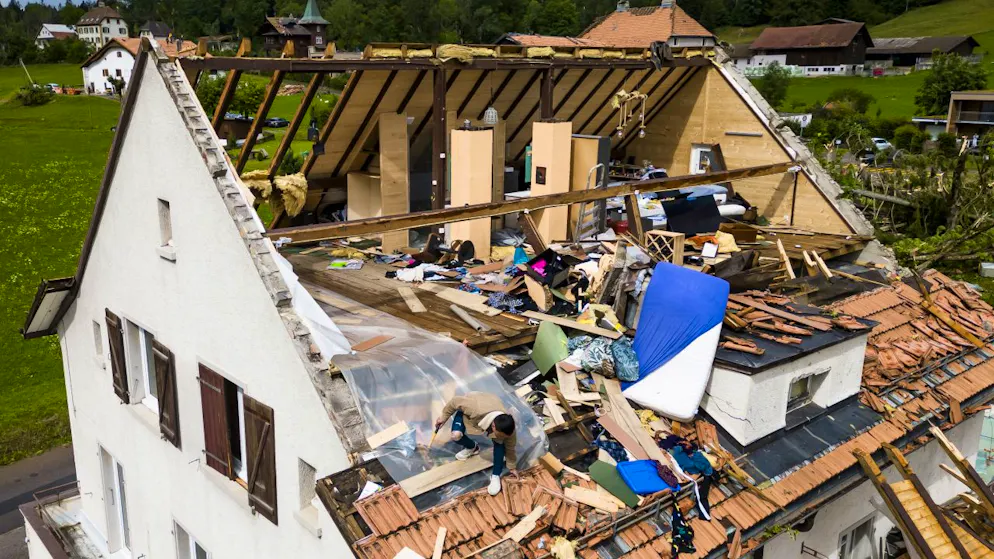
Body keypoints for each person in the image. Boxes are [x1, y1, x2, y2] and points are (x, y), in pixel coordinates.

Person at [434, 392, 517, 496]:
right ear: (494, 426)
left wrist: (512, 467)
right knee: (456, 435)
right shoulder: (474, 408)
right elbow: (455, 401)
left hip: (490, 405)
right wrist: (444, 417)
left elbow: (510, 448)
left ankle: (495, 475)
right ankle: (472, 447)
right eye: (499, 434)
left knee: (499, 445)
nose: (502, 437)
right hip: (468, 414)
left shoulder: (508, 429)